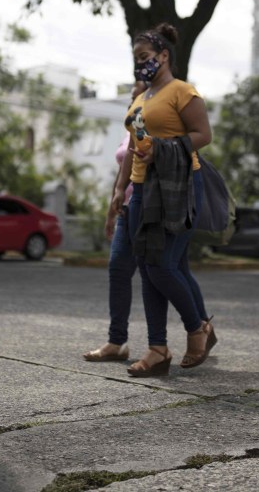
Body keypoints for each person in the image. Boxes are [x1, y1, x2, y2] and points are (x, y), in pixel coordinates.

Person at [112, 23, 215, 377]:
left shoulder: (182, 91)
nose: (140, 64)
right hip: (142, 189)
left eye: (145, 57)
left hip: (177, 186)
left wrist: (164, 148)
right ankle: (157, 349)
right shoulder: (142, 98)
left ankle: (196, 327)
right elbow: (132, 149)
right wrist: (119, 189)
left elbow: (204, 135)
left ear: (164, 56)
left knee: (161, 266)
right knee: (147, 268)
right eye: (136, 59)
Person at [83, 82, 148, 363]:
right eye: (130, 98)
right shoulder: (130, 127)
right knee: (118, 270)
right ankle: (117, 341)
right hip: (126, 208)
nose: (132, 101)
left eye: (137, 97)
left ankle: (198, 326)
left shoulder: (149, 123)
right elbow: (123, 169)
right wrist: (112, 210)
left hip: (150, 207)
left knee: (163, 273)